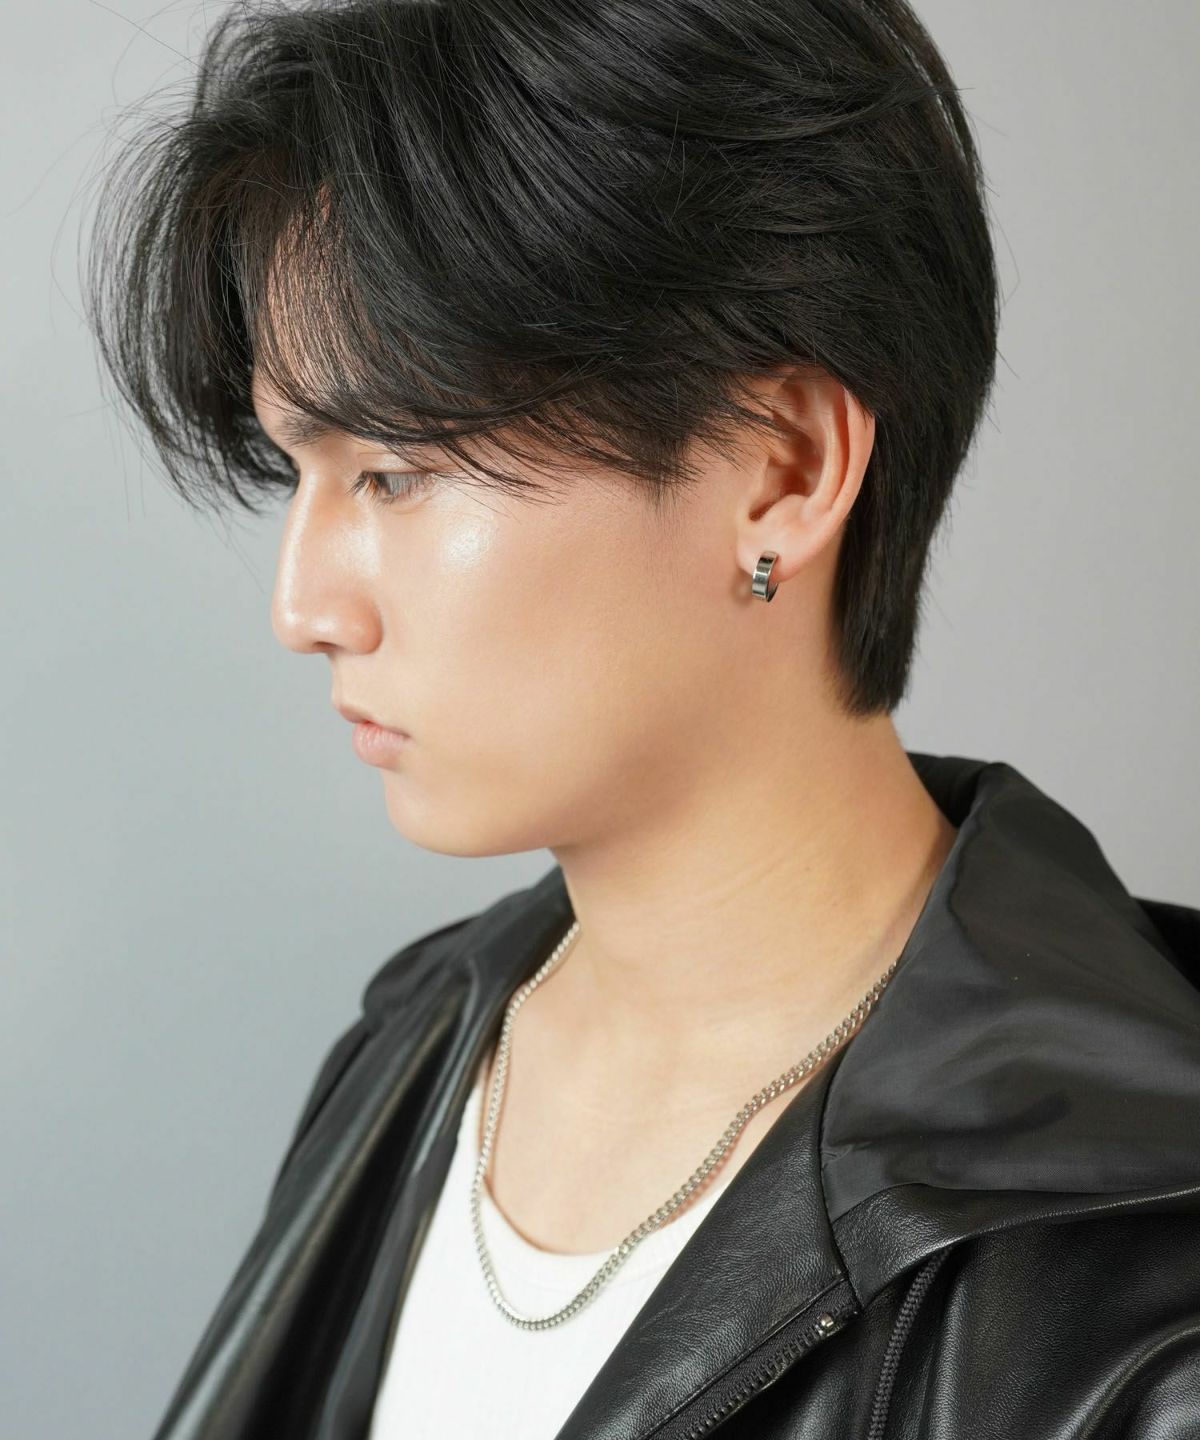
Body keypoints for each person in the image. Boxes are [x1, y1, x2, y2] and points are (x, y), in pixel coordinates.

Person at [82, 0, 1200, 1435]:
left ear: (782, 470)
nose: (305, 607)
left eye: (396, 472)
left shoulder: (1133, 1292)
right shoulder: (420, 1042)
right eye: (301, 470)